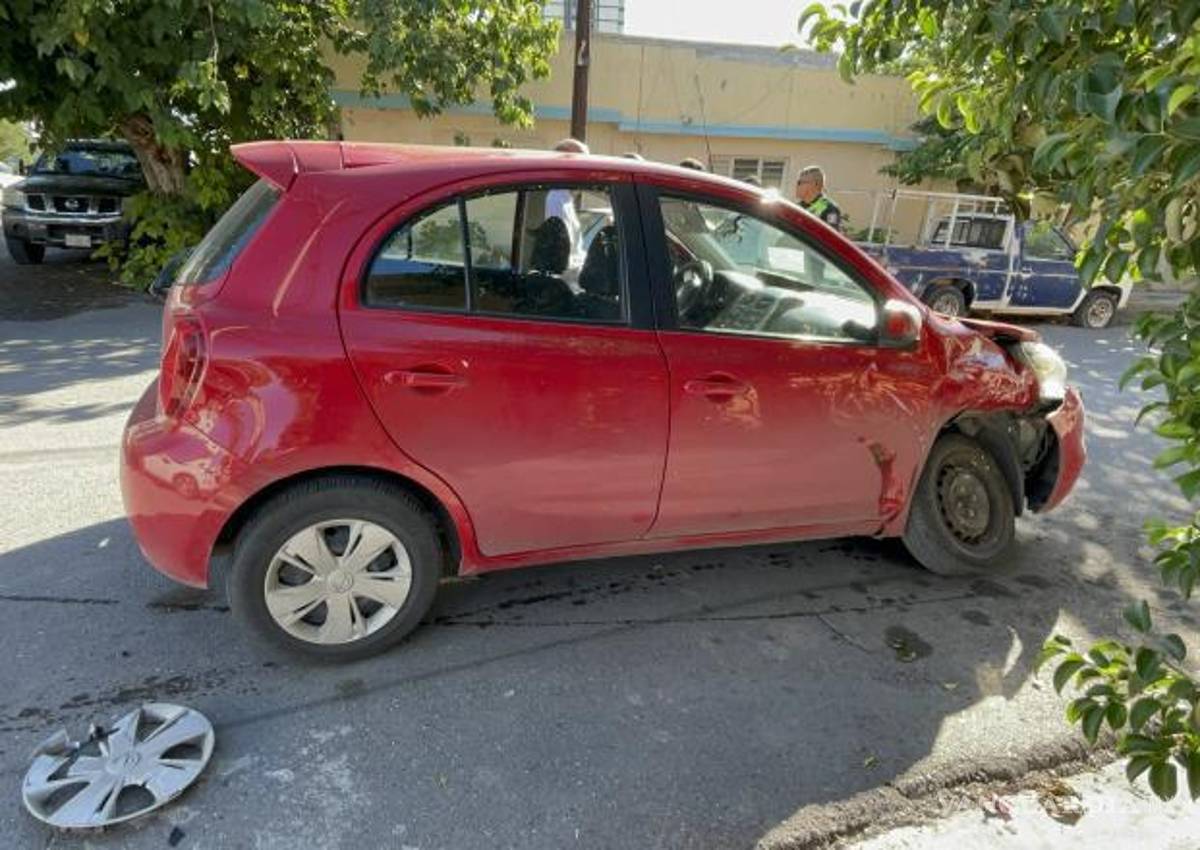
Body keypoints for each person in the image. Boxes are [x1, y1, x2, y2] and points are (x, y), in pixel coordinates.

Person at [794, 165, 843, 231]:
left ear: (815, 184)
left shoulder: (830, 208)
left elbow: (831, 235)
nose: (797, 186)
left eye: (800, 182)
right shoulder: (797, 207)